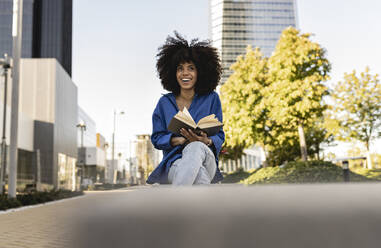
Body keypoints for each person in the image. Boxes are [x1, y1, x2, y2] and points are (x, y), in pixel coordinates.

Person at [146, 32, 225, 185]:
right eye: (180, 68)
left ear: (200, 72)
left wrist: (205, 140)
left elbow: (220, 136)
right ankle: (191, 205)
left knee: (196, 147)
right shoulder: (164, 103)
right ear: (173, 73)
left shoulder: (211, 98)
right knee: (199, 178)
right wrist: (180, 140)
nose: (185, 73)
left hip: (206, 157)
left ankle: (175, 204)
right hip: (174, 163)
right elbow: (156, 138)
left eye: (191, 68)